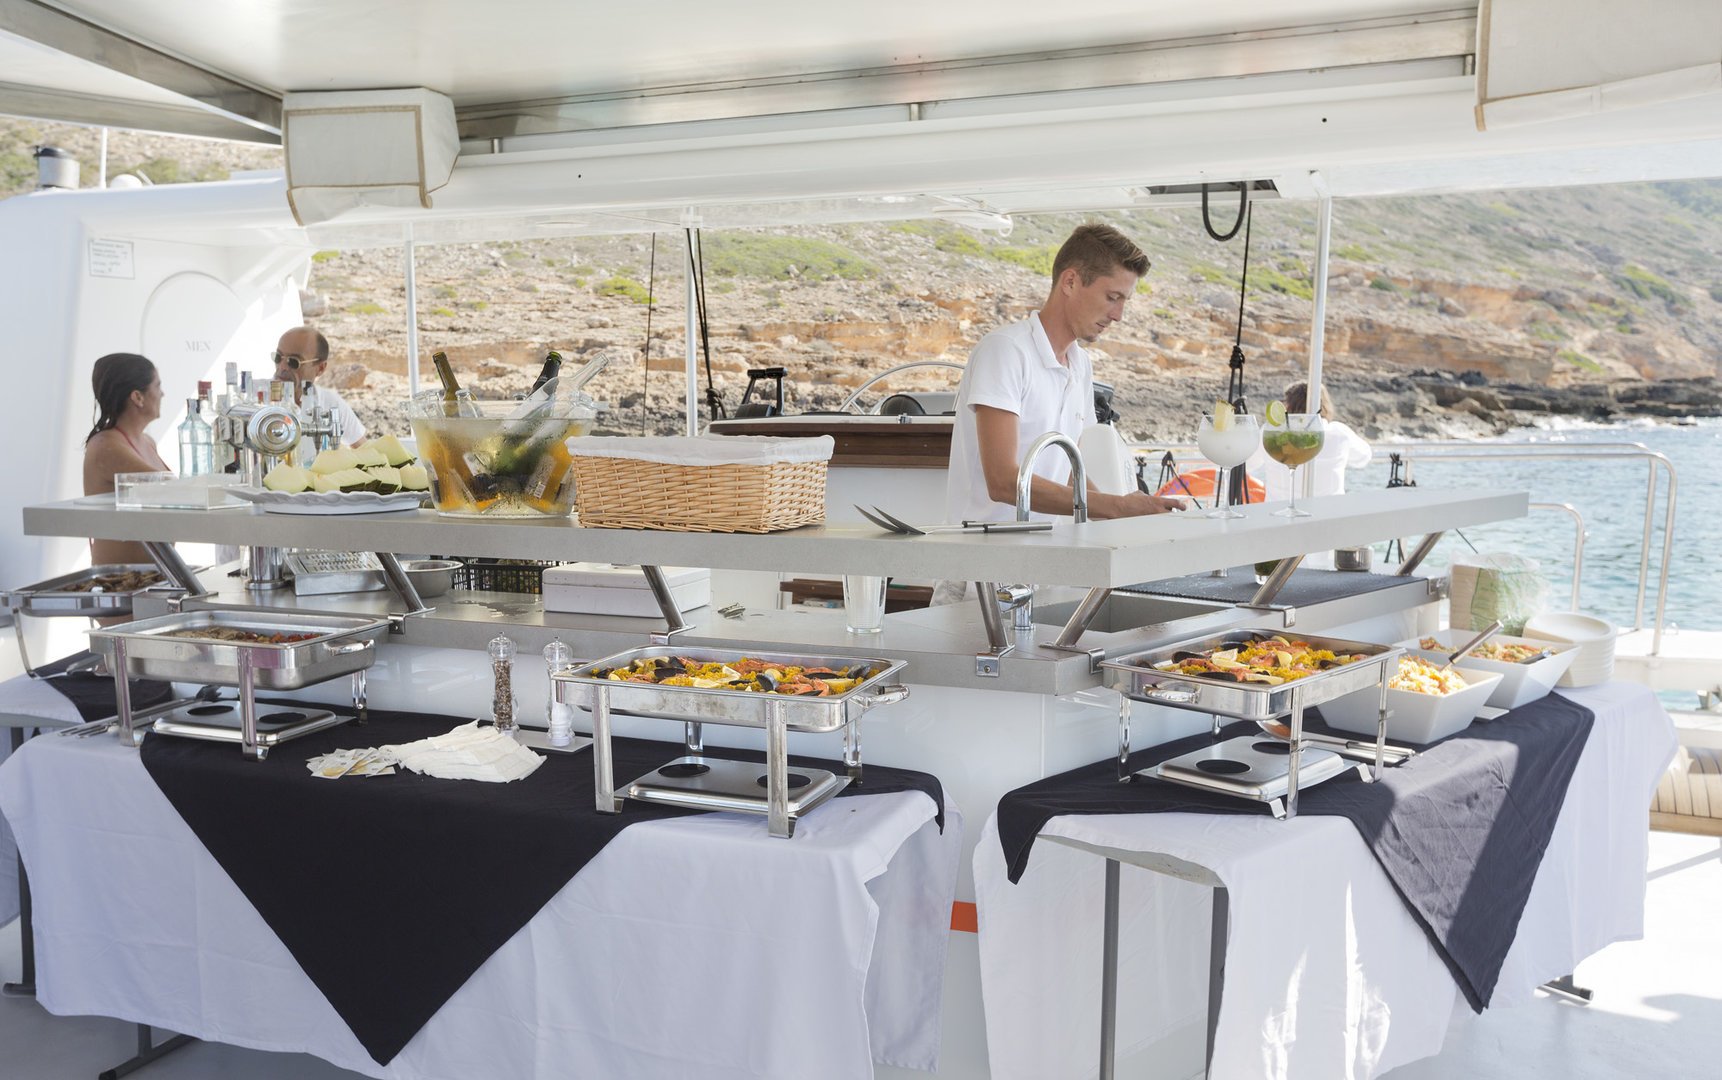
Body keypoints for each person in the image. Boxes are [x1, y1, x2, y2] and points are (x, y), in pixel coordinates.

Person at [946, 224, 1184, 524]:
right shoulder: (1005, 351)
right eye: (1112, 297)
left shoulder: (1080, 365)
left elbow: (1070, 472)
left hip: (1049, 557)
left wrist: (1122, 515)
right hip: (984, 560)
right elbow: (1004, 482)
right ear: (1070, 282)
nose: (1118, 315)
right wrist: (1116, 507)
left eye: (1124, 301)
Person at [82, 352, 169, 566]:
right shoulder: (106, 446)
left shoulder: (147, 442)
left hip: (154, 575)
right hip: (121, 581)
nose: (163, 394)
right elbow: (169, 490)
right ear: (137, 397)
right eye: (157, 386)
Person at [1246, 380, 1372, 504]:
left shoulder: (1272, 432)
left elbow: (1248, 464)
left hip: (1278, 517)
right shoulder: (1339, 433)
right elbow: (1363, 458)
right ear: (1324, 405)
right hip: (1330, 516)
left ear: (1288, 405)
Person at [273, 325, 366, 457]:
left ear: (320, 368)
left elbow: (364, 450)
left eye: (293, 362)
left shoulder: (331, 403)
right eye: (278, 357)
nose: (282, 367)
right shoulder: (253, 398)